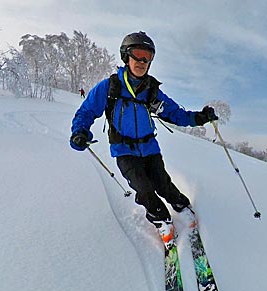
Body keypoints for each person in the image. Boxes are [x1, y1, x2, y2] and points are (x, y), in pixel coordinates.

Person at [69, 31, 218, 239]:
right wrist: (80, 131)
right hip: (124, 150)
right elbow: (86, 111)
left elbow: (175, 114)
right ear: (126, 57)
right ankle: (161, 219)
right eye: (137, 54)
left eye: (147, 57)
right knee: (143, 188)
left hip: (149, 147)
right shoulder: (110, 87)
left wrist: (199, 118)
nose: (141, 61)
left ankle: (182, 207)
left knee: (162, 183)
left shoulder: (151, 91)